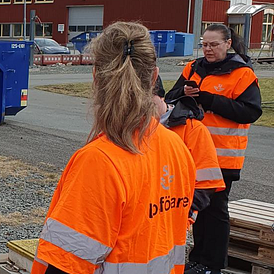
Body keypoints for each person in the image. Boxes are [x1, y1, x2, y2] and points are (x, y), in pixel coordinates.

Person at [31, 22, 196, 274]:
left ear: (96, 77)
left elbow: (67, 265)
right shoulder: (177, 148)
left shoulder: (99, 161)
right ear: (154, 77)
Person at [165, 24, 262, 274]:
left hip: (223, 156)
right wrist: (183, 92)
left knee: (216, 210)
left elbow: (250, 111)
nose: (207, 49)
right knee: (197, 207)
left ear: (228, 44)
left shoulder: (241, 74)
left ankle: (213, 264)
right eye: (204, 44)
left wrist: (209, 100)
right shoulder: (193, 68)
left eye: (213, 44)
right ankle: (198, 259)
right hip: (193, 153)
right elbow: (170, 97)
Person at [154, 77, 226, 224]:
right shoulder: (132, 128)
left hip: (173, 219)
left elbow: (207, 183)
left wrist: (185, 212)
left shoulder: (192, 129)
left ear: (161, 96)